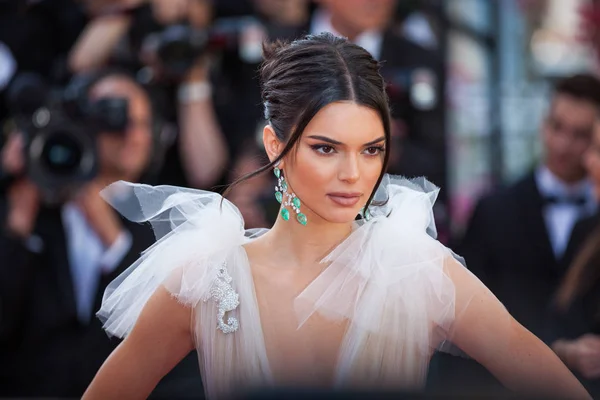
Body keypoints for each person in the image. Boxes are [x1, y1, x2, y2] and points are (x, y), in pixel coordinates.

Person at [83, 33, 590, 400]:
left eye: (371, 150)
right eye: (327, 148)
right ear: (275, 145)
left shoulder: (416, 270)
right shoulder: (207, 279)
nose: (353, 173)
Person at [0, 70, 201, 397]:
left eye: (143, 123)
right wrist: (17, 225)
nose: (132, 134)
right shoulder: (27, 207)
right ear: (82, 121)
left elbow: (161, 342)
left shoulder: (167, 226)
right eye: (115, 116)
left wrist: (114, 241)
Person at [547, 117, 600, 397]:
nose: (588, 161)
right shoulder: (586, 230)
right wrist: (569, 352)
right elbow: (554, 324)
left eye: (598, 151)